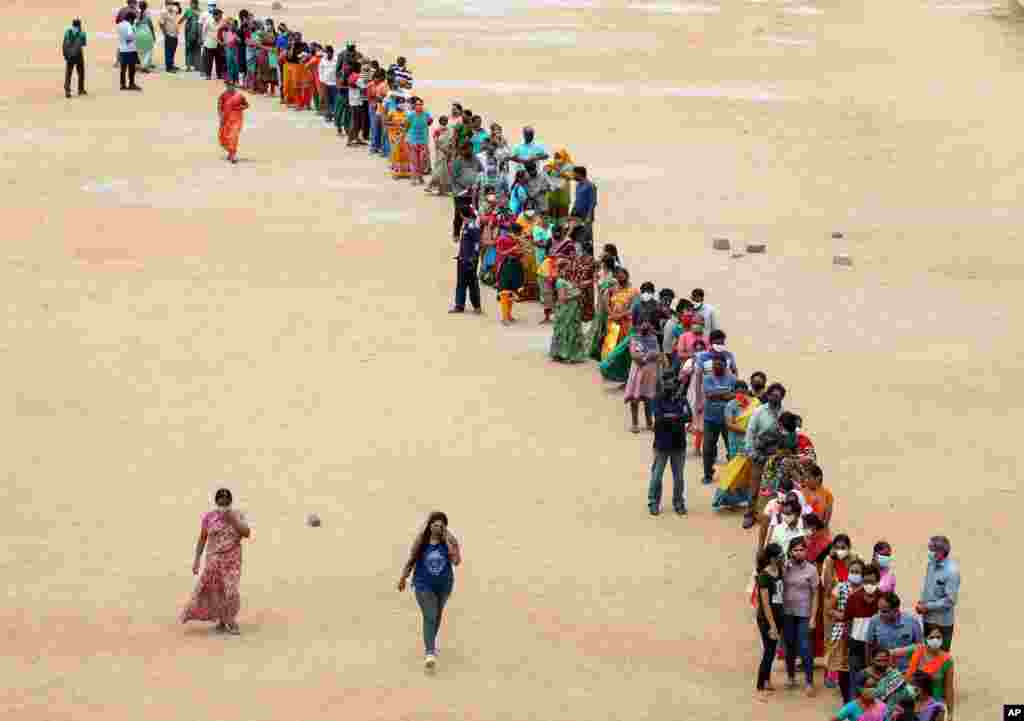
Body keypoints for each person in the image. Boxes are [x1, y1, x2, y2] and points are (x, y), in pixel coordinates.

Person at [180, 487, 251, 635]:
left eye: (226, 502)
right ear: (216, 502)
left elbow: (246, 533)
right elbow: (202, 539)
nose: (223, 505)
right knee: (216, 591)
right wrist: (196, 560)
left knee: (231, 590)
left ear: (230, 502)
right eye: (220, 502)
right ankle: (221, 620)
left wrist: (232, 520)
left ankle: (230, 619)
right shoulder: (209, 517)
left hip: (232, 560)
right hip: (214, 560)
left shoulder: (238, 515)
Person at [397, 512, 462, 671]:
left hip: (444, 585)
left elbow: (456, 561)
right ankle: (430, 653)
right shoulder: (421, 541)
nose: (437, 528)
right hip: (423, 584)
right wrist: (403, 578)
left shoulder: (450, 541)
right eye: (434, 524)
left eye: (441, 526)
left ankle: (430, 644)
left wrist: (448, 542)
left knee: (437, 617)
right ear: (429, 525)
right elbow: (411, 560)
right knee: (430, 615)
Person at [741, 382, 786, 529]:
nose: (775, 397)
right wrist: (751, 452)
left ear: (782, 397)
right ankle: (749, 514)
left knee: (775, 488)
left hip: (776, 457)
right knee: (754, 485)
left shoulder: (784, 414)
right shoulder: (759, 411)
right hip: (759, 454)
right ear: (768, 395)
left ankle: (774, 516)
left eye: (778, 395)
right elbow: (750, 433)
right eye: (772, 394)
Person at [648, 376, 689, 516]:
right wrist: (677, 416)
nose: (669, 385)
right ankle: (653, 502)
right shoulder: (657, 399)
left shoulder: (682, 399)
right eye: (666, 383)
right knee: (656, 476)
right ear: (662, 384)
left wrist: (669, 416)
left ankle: (679, 503)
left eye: (671, 383)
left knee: (679, 477)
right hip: (661, 445)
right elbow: (658, 417)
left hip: (679, 445)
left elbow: (689, 417)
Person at [782, 536, 818, 696]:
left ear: (806, 551)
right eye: (795, 550)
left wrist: (813, 617)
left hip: (804, 613)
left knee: (805, 647)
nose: (799, 552)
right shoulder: (785, 568)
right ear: (790, 552)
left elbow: (816, 593)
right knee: (789, 646)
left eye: (801, 549)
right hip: (787, 613)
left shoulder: (812, 569)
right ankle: (790, 676)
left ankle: (809, 681)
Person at [826, 555, 863, 702]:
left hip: (861, 633)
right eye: (852, 571)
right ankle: (846, 700)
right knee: (843, 668)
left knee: (859, 667)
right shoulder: (840, 587)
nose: (855, 574)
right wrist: (844, 616)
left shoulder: (866, 589)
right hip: (842, 632)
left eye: (858, 571)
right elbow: (829, 610)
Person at [915, 535, 960, 651]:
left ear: (940, 551)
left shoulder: (952, 571)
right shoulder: (931, 565)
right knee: (927, 655)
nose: (929, 552)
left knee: (941, 657)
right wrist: (921, 602)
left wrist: (927, 606)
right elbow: (928, 587)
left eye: (931, 549)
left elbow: (950, 601)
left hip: (941, 623)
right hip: (927, 619)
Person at [754, 543, 785, 699]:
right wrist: (772, 626)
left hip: (778, 616)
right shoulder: (764, 577)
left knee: (772, 650)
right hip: (767, 619)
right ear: (772, 559)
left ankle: (766, 680)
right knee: (769, 650)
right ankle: (761, 682)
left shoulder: (779, 571)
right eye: (780, 557)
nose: (782, 559)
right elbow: (765, 605)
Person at [701, 352, 736, 485]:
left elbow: (735, 395)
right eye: (714, 364)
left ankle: (733, 473)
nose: (716, 366)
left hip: (728, 420)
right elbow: (709, 394)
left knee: (731, 447)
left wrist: (717, 394)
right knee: (708, 447)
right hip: (710, 419)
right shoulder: (707, 378)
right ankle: (708, 474)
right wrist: (725, 394)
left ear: (724, 365)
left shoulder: (732, 378)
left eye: (719, 364)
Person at [844, 564, 882, 679]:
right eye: (866, 581)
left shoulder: (883, 598)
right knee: (856, 677)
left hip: (877, 645)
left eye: (872, 581)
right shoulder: (852, 598)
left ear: (878, 581)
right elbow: (848, 621)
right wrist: (849, 641)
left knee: (875, 678)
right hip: (856, 643)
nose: (869, 585)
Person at [902, 638, 955, 720]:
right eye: (911, 685)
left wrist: (950, 712)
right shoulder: (905, 704)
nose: (910, 689)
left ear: (924, 689)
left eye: (915, 687)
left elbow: (948, 687)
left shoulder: (937, 709)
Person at [623, 320, 659, 433]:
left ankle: (649, 423)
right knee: (635, 398)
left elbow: (657, 353)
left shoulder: (654, 339)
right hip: (637, 372)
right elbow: (634, 355)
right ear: (638, 326)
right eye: (643, 323)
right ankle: (635, 424)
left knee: (648, 398)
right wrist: (647, 357)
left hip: (649, 373)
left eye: (648, 323)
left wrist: (646, 356)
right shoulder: (634, 338)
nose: (645, 325)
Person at [549, 258, 586, 364]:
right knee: (567, 331)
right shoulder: (560, 282)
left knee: (570, 331)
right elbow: (562, 298)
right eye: (568, 267)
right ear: (562, 268)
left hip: (572, 309)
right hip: (566, 310)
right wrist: (576, 294)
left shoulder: (566, 280)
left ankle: (565, 353)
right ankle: (565, 354)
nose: (570, 269)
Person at [449, 205, 482, 314]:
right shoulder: (468, 225)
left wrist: (473, 258)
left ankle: (475, 306)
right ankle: (460, 305)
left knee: (471, 283)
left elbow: (477, 245)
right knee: (463, 283)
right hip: (463, 259)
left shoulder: (472, 227)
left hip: (469, 260)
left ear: (463, 215)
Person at [217, 80, 249, 163]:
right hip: (226, 119)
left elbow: (246, 105)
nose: (230, 87)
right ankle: (230, 152)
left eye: (231, 85)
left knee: (233, 136)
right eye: (228, 85)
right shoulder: (223, 96)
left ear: (234, 86)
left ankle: (233, 154)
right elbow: (219, 107)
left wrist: (239, 108)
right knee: (224, 137)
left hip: (237, 119)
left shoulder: (239, 96)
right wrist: (221, 117)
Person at [405, 99, 433, 184]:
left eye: (421, 104)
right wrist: (407, 137)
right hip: (413, 140)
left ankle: (420, 177)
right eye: (417, 104)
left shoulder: (426, 114)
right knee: (414, 160)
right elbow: (407, 125)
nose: (419, 106)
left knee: (421, 161)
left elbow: (430, 121)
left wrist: (425, 129)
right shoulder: (411, 115)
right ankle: (413, 178)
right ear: (414, 106)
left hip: (423, 140)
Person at [62, 18, 87, 99]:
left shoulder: (67, 31)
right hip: (78, 55)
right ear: (79, 25)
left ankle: (67, 91)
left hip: (69, 55)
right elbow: (83, 44)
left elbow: (64, 42)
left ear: (72, 24)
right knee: (81, 72)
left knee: (68, 73)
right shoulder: (82, 33)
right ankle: (80, 89)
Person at [117, 11, 142, 91]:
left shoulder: (120, 25)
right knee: (131, 68)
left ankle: (123, 85)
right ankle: (131, 84)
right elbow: (130, 35)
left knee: (123, 69)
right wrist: (133, 37)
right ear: (130, 19)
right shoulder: (128, 25)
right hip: (130, 49)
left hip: (122, 49)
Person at [135, 1, 157, 72]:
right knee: (148, 51)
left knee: (140, 51)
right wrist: (153, 35)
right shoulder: (147, 15)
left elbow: (135, 24)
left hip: (138, 33)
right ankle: (145, 66)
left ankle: (144, 64)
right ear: (146, 7)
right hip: (146, 33)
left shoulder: (136, 14)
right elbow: (151, 26)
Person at [159, 1, 180, 71]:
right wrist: (165, 33)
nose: (171, 4)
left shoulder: (174, 9)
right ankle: (168, 67)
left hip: (175, 34)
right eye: (169, 3)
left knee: (173, 50)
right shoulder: (163, 12)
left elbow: (179, 12)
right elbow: (161, 23)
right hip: (169, 34)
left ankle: (171, 64)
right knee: (168, 51)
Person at [183, 0, 201, 71]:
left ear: (197, 4)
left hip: (197, 34)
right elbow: (183, 18)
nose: (192, 5)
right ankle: (188, 66)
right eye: (191, 4)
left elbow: (203, 22)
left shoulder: (200, 12)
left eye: (193, 4)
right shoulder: (188, 11)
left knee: (197, 50)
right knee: (188, 50)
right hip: (189, 34)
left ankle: (197, 66)